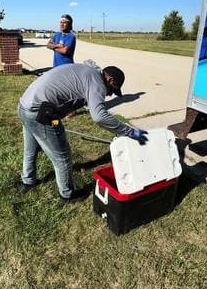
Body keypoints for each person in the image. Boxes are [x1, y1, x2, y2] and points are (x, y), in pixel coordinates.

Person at [18, 62, 148, 205]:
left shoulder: (88, 72)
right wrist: (129, 132)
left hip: (25, 106)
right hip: (41, 114)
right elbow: (99, 116)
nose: (110, 94)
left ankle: (28, 182)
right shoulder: (97, 82)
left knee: (30, 148)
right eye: (112, 89)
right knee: (63, 156)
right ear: (109, 80)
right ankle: (67, 196)